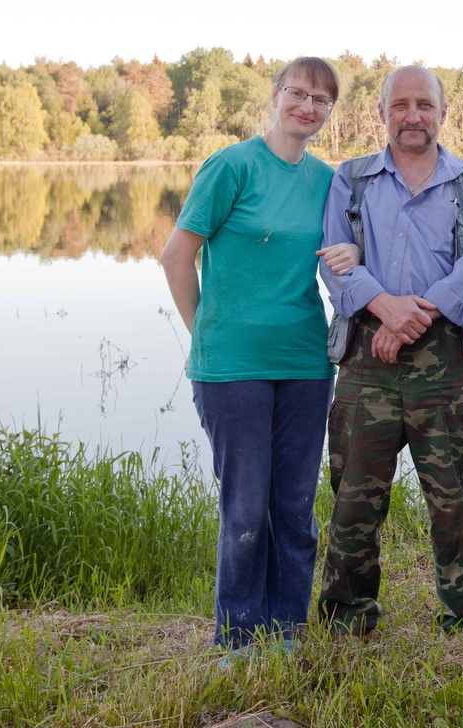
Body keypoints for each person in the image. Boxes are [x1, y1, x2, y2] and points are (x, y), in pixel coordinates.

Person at [160, 56, 358, 654]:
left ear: (330, 111)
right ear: (275, 96)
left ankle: (288, 630)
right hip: (231, 366)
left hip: (304, 362)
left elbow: (342, 254)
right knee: (245, 508)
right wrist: (206, 333)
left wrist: (352, 255)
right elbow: (175, 257)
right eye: (297, 93)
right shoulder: (231, 167)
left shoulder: (327, 180)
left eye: (321, 100)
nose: (307, 106)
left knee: (295, 507)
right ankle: (238, 637)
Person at [317, 65, 463, 636]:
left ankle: (462, 616)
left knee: (455, 500)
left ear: (442, 113)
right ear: (381, 113)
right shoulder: (351, 180)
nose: (412, 115)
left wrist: (411, 314)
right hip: (365, 361)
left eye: (424, 104)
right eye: (400, 105)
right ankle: (348, 617)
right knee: (353, 498)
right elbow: (333, 256)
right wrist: (384, 307)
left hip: (447, 361)